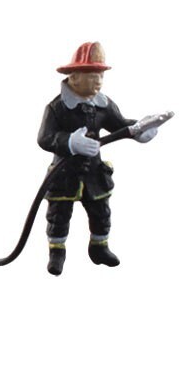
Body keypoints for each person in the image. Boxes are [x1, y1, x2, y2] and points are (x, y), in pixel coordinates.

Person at [37, 42, 159, 275]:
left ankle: (99, 247)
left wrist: (140, 129)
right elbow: (45, 138)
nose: (99, 82)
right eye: (93, 76)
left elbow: (119, 126)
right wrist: (70, 142)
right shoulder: (57, 108)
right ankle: (57, 252)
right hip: (64, 174)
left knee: (101, 212)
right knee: (58, 215)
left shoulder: (102, 105)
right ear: (74, 78)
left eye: (101, 76)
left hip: (94, 173)